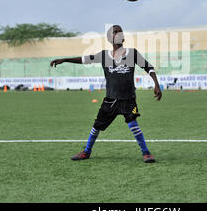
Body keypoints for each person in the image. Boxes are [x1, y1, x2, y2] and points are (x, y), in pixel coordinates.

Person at [50, 25, 162, 163]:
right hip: (111, 100)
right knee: (97, 126)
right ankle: (86, 151)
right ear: (110, 39)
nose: (118, 34)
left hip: (128, 99)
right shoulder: (103, 55)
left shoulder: (132, 54)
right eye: (114, 32)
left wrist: (156, 84)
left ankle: (146, 153)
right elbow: (85, 59)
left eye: (120, 31)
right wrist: (65, 59)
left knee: (133, 123)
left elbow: (149, 67)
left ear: (123, 37)